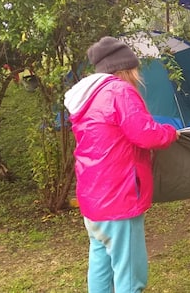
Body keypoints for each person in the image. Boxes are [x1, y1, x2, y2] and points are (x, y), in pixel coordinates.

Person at [64, 36, 179, 293]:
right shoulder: (119, 91)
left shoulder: (88, 96)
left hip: (93, 198)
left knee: (101, 265)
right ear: (126, 67)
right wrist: (171, 132)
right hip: (119, 197)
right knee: (129, 275)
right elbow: (146, 134)